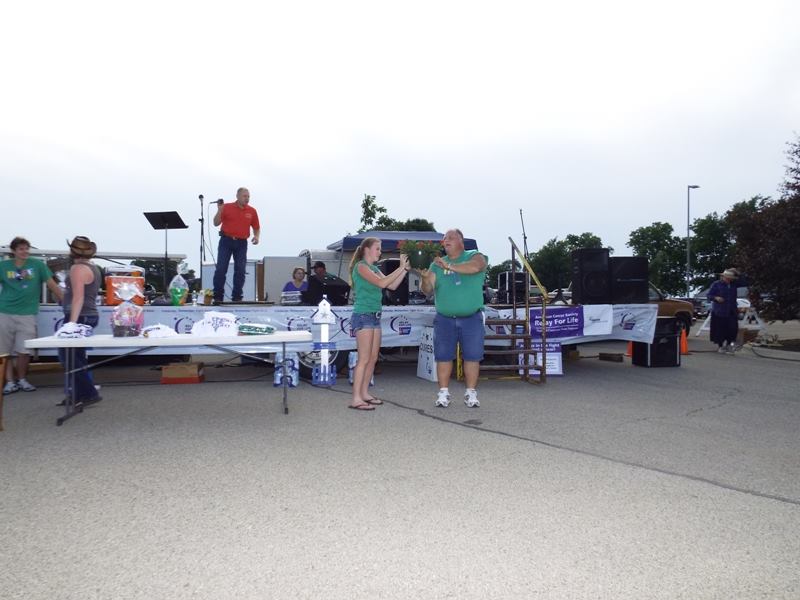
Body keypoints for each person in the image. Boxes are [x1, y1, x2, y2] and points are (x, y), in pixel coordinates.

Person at [416, 229, 488, 408]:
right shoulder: (436, 264)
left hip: (471, 317)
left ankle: (471, 393)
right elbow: (427, 290)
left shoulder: (475, 256)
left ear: (461, 240)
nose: (445, 241)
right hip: (445, 318)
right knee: (443, 356)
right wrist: (424, 278)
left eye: (450, 238)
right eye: (444, 239)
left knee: (472, 356)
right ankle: (443, 393)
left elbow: (475, 267)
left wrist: (449, 266)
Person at [347, 238, 409, 410]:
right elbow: (382, 283)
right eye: (377, 249)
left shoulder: (374, 268)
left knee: (373, 358)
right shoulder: (361, 267)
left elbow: (392, 285)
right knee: (364, 359)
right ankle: (356, 398)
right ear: (367, 249)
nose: (380, 252)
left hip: (374, 316)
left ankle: (364, 393)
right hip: (363, 315)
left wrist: (405, 269)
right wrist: (400, 267)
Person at [0, 237, 63, 394]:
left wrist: (65, 300)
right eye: (21, 249)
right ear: (13, 251)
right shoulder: (3, 266)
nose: (25, 251)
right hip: (5, 312)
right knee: (4, 350)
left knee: (25, 350)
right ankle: (9, 382)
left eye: (26, 248)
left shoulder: (38, 265)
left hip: (28, 313)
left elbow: (52, 284)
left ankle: (22, 379)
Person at [59, 236, 103, 405]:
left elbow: (78, 297)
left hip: (79, 315)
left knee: (68, 356)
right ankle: (80, 393)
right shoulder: (94, 268)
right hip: (88, 314)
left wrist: (71, 323)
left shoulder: (77, 269)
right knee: (76, 356)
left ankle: (88, 392)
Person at [212, 187, 260, 303]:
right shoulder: (227, 207)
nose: (247, 199)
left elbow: (256, 227)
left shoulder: (252, 211)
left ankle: (237, 297)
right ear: (237, 196)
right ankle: (218, 296)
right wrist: (219, 210)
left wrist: (256, 236)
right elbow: (216, 223)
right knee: (221, 269)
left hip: (242, 243)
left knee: (240, 270)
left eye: (248, 196)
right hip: (226, 240)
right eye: (244, 196)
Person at [707, 267, 745, 354]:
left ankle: (729, 345)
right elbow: (709, 295)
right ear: (723, 277)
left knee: (732, 329)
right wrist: (716, 298)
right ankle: (720, 346)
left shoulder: (734, 284)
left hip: (732, 310)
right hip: (720, 311)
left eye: (730, 278)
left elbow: (744, 281)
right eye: (727, 278)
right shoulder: (716, 284)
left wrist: (737, 272)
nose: (728, 280)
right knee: (720, 329)